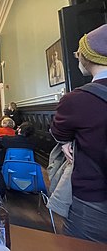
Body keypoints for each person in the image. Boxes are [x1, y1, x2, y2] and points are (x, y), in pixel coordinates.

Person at [50, 24, 107, 243]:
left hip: (94, 197)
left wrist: (65, 141)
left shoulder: (78, 99)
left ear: (85, 57)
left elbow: (59, 130)